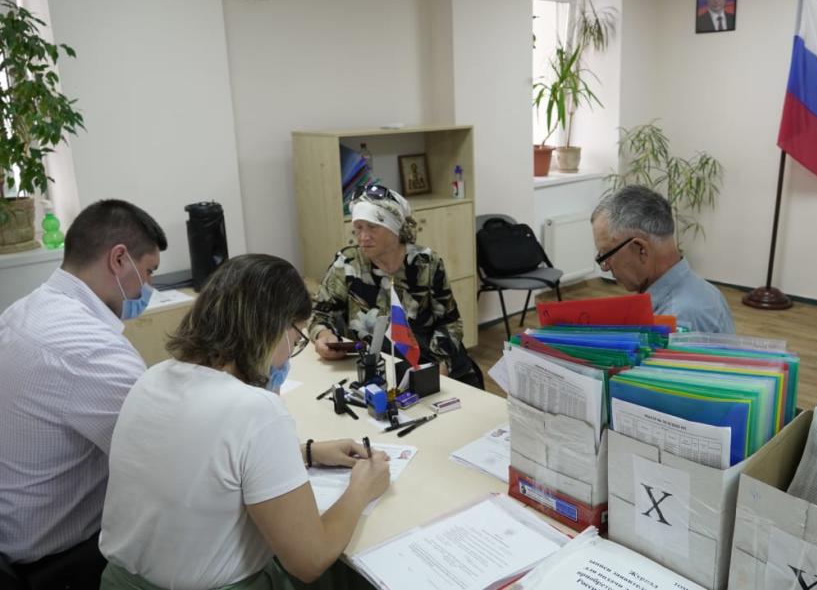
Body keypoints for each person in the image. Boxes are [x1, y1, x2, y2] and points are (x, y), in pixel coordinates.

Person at [98, 254, 391, 589]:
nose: (288, 357)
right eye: (294, 342)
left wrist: (307, 453)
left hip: (118, 582)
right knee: (348, 573)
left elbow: (208, 463)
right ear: (273, 330)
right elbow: (309, 560)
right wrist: (361, 489)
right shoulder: (257, 410)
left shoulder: (154, 378)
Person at [0, 199, 166, 587]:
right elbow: (168, 458)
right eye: (149, 272)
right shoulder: (89, 348)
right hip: (62, 558)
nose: (151, 287)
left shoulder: (23, 310)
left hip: (15, 530)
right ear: (119, 259)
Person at [310, 185, 480, 387]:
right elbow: (320, 314)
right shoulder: (347, 264)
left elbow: (450, 322)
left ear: (395, 228)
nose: (363, 237)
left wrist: (439, 363)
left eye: (372, 227)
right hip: (376, 369)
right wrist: (323, 335)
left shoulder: (426, 263)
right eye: (358, 228)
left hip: (426, 359)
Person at [591, 185, 735, 334]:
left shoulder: (678, 318)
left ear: (641, 249)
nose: (606, 267)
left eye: (606, 255)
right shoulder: (699, 291)